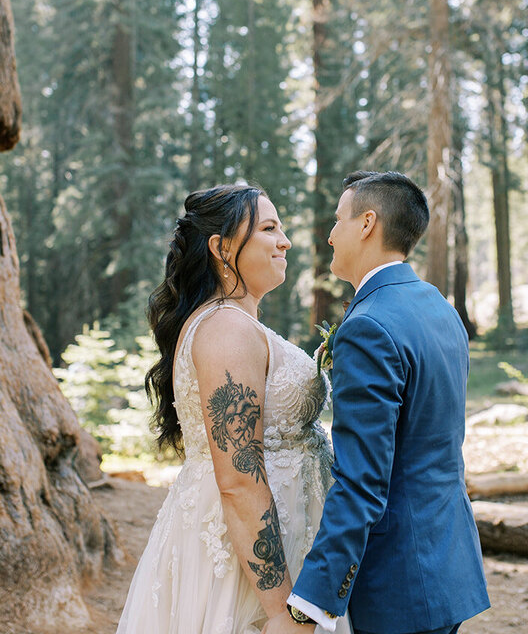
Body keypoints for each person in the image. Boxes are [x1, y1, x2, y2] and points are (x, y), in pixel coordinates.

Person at [116, 184, 352, 634]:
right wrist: (281, 610)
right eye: (268, 228)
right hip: (248, 563)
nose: (284, 241)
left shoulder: (235, 323)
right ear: (222, 248)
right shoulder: (225, 328)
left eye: (281, 228)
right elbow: (239, 478)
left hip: (286, 535)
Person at [265, 171, 491, 634]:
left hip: (400, 578)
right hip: (449, 560)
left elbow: (364, 482)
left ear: (367, 223)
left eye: (338, 220)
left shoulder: (368, 326)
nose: (330, 234)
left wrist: (309, 602)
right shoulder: (439, 308)